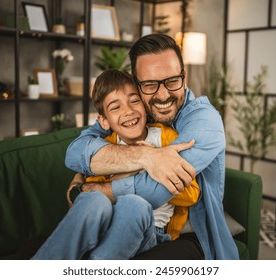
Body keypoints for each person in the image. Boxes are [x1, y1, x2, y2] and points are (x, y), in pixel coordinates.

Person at [32, 69, 199, 260]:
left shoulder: (166, 138)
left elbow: (191, 195)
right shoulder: (107, 147)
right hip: (107, 229)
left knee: (134, 204)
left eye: (134, 101)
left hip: (153, 231)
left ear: (144, 105)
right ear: (104, 121)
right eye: (115, 107)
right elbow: (91, 192)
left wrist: (151, 166)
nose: (128, 111)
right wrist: (138, 163)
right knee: (94, 200)